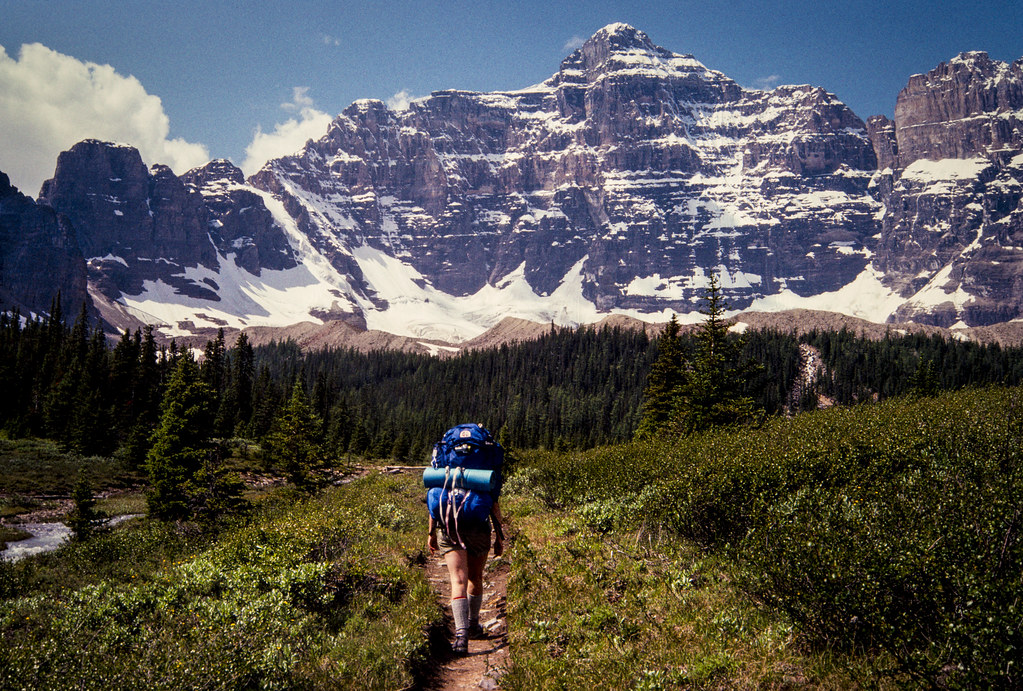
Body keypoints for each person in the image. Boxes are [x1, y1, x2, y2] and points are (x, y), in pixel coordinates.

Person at [428, 493, 505, 654]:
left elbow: (434, 501)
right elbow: (494, 505)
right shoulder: (483, 471)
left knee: (458, 580)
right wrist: (499, 537)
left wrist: (431, 533)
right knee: (475, 577)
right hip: (478, 530)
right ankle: (472, 625)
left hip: (449, 528)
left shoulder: (444, 471)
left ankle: (461, 637)